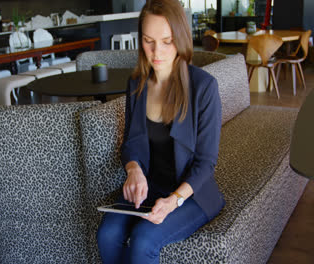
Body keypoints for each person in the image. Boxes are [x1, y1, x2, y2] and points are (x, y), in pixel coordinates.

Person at [96, 0, 225, 263]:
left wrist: (173, 201)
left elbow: (206, 164)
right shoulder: (137, 84)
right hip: (150, 188)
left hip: (190, 193)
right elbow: (132, 143)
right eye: (148, 40)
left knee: (144, 240)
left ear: (181, 37)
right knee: (107, 235)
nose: (156, 51)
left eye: (167, 41)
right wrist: (134, 170)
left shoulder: (204, 88)